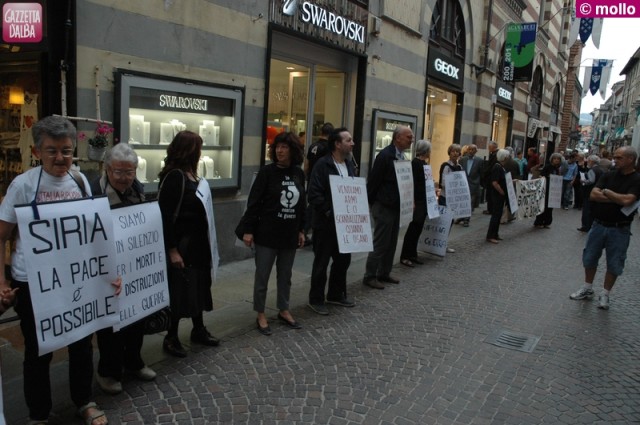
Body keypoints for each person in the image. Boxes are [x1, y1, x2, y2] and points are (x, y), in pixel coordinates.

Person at [0, 116, 115, 425]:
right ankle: (38, 414)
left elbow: (96, 233)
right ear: (37, 152)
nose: (60, 158)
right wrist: (1, 280)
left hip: (76, 279)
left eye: (66, 150)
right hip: (32, 282)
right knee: (38, 351)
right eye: (52, 151)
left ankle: (84, 401)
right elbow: (1, 235)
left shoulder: (80, 182)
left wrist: (107, 275)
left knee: (80, 343)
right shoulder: (22, 185)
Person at [92, 143, 156, 394]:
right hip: (106, 267)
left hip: (133, 266)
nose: (124, 178)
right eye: (119, 172)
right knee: (111, 325)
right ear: (107, 168)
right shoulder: (94, 191)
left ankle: (134, 362)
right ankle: (108, 371)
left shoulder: (136, 187)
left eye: (130, 172)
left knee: (136, 319)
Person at [158, 130, 220, 357]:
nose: (200, 153)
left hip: (199, 246)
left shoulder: (193, 175)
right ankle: (171, 336)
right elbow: (164, 216)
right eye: (198, 148)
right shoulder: (175, 177)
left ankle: (198, 328)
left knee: (198, 287)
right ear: (190, 151)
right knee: (181, 290)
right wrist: (172, 249)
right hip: (183, 246)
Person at [242, 132, 306, 334]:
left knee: (285, 275)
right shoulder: (266, 173)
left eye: (284, 147)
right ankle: (260, 313)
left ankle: (283, 309)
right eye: (277, 147)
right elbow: (253, 203)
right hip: (266, 234)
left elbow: (302, 204)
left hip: (288, 233)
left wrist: (302, 229)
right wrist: (248, 230)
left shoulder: (298, 173)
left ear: (293, 150)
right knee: (262, 275)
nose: (279, 150)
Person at [569, 146, 640, 310]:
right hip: (599, 224)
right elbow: (593, 195)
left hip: (619, 228)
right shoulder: (608, 174)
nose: (615, 159)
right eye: (615, 156)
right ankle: (587, 288)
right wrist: (617, 198)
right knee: (589, 257)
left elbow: (628, 201)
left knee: (615, 262)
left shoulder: (637, 179)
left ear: (630, 159)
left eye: (619, 157)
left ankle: (605, 294)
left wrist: (607, 192)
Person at [307, 128, 357, 315]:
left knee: (343, 260)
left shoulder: (349, 164)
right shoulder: (323, 164)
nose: (352, 143)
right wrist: (329, 211)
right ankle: (316, 299)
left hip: (345, 225)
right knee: (321, 262)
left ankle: (336, 294)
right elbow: (314, 194)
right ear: (337, 144)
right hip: (325, 224)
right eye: (349, 140)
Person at [362, 125, 414, 289]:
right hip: (384, 206)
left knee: (391, 242)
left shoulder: (402, 156)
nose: (411, 140)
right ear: (397, 137)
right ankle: (370, 275)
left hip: (396, 207)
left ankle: (384, 272)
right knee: (380, 242)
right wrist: (371, 204)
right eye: (408, 137)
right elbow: (373, 182)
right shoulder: (385, 156)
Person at [399, 140, 431, 266]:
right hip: (417, 201)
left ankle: (413, 254)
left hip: (423, 200)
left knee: (418, 229)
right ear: (425, 151)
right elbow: (412, 184)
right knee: (413, 228)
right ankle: (405, 256)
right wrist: (412, 200)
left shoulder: (424, 163)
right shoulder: (416, 163)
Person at [303, 122, 334, 245]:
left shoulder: (313, 146)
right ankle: (306, 232)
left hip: (311, 180)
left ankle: (305, 232)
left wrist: (308, 177)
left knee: (311, 207)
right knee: (314, 210)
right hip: (321, 184)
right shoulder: (328, 148)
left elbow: (306, 165)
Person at [485, 149, 510, 244]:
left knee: (498, 215)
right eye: (507, 156)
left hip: (500, 196)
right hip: (497, 195)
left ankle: (495, 234)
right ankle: (491, 235)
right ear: (504, 157)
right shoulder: (497, 167)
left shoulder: (501, 167)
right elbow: (495, 182)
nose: (508, 158)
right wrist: (502, 192)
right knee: (495, 216)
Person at [533, 153, 563, 228]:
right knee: (544, 205)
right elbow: (541, 175)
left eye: (558, 159)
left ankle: (547, 222)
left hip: (553, 190)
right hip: (546, 189)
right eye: (555, 158)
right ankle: (539, 222)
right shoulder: (547, 167)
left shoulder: (557, 168)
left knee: (550, 207)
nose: (556, 160)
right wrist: (547, 177)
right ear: (552, 159)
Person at [458, 144, 484, 227]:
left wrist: (479, 184)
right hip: (463, 184)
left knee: (470, 202)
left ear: (476, 151)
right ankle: (461, 217)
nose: (471, 151)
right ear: (467, 150)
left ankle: (466, 219)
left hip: (474, 184)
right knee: (462, 201)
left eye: (473, 150)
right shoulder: (462, 160)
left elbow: (481, 173)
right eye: (469, 149)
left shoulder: (479, 161)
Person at [577, 155, 605, 232]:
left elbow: (591, 181)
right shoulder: (601, 170)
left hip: (589, 192)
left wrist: (583, 181)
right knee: (593, 210)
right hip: (597, 192)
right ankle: (591, 225)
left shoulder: (592, 170)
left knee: (587, 210)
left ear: (592, 161)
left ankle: (586, 226)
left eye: (588, 161)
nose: (587, 162)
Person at [482, 141, 498, 214]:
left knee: (490, 194)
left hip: (491, 178)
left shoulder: (495, 155)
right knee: (489, 194)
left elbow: (491, 166)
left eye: (489, 147)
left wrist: (485, 173)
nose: (488, 148)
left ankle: (490, 209)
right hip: (490, 177)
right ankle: (490, 208)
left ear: (493, 147)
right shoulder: (493, 154)